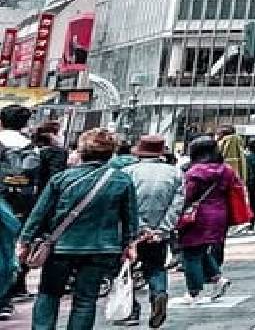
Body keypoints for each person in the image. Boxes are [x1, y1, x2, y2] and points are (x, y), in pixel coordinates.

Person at [19, 128, 137, 330]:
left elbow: (39, 213)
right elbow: (129, 218)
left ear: (81, 151)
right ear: (111, 153)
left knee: (49, 294)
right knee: (85, 300)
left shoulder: (62, 179)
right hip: (101, 247)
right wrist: (130, 244)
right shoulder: (121, 180)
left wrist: (25, 240)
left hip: (61, 246)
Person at [115, 134, 183, 328]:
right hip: (160, 232)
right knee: (156, 267)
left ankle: (132, 311)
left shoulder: (128, 172)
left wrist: (142, 227)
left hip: (132, 231)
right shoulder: (175, 173)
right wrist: (161, 229)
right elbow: (177, 204)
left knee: (127, 269)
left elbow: (127, 204)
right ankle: (159, 294)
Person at [174, 137, 234, 305]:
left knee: (190, 253)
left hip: (198, 216)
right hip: (220, 213)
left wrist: (176, 213)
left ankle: (194, 292)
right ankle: (217, 279)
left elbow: (187, 196)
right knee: (201, 250)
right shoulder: (226, 170)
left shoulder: (195, 172)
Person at [0, 104, 39, 318]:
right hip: (22, 204)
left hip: (1, 201)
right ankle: (6, 298)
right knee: (12, 250)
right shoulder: (31, 147)